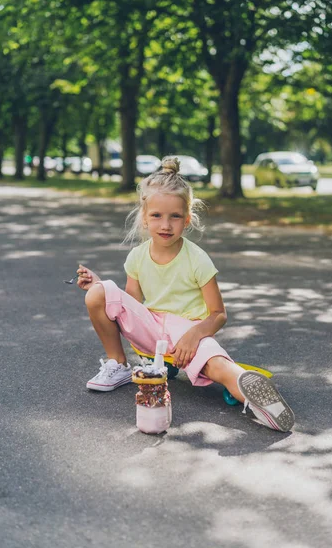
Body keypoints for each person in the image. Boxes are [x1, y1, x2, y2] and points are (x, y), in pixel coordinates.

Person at [77, 157, 295, 432]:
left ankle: (260, 403)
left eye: (175, 217)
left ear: (188, 219)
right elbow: (130, 306)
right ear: (145, 218)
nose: (165, 225)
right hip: (151, 329)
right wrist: (100, 288)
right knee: (98, 293)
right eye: (156, 216)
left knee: (219, 369)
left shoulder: (198, 260)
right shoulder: (137, 257)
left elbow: (219, 314)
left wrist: (194, 336)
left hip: (188, 332)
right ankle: (118, 365)